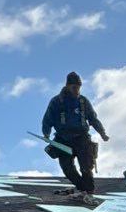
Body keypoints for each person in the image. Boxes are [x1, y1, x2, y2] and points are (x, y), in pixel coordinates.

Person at [40, 72, 109, 200]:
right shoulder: (57, 101)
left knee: (86, 167)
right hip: (63, 139)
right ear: (67, 86)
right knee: (67, 168)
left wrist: (102, 133)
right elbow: (47, 119)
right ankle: (82, 189)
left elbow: (93, 119)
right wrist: (46, 133)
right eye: (74, 87)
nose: (77, 90)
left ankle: (88, 192)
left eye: (78, 87)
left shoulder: (83, 101)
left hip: (82, 138)